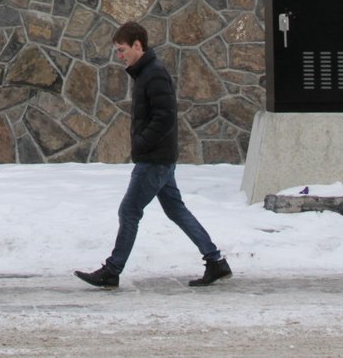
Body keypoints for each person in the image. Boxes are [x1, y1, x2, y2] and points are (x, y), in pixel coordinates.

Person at [75, 21, 232, 289]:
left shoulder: (154, 74)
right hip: (159, 158)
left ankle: (112, 270)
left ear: (138, 45)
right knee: (176, 210)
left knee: (129, 211)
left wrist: (141, 142)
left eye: (123, 50)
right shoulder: (146, 73)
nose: (120, 56)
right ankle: (215, 262)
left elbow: (165, 117)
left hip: (154, 159)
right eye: (117, 51)